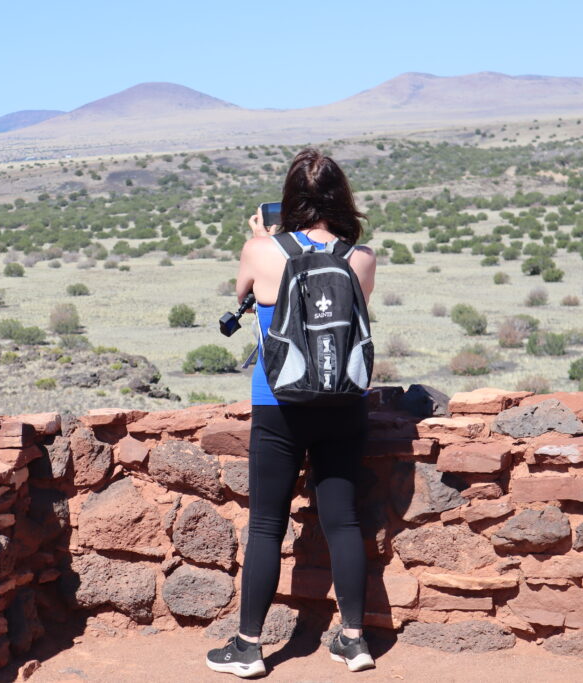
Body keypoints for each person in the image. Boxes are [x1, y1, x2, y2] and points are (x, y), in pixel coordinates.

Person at [206, 148, 377, 678]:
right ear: (341, 198)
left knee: (265, 525)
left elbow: (243, 295)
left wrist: (262, 236)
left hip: (278, 401)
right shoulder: (361, 256)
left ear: (289, 199)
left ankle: (249, 647)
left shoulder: (261, 250)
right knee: (345, 522)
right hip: (343, 402)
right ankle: (354, 641)